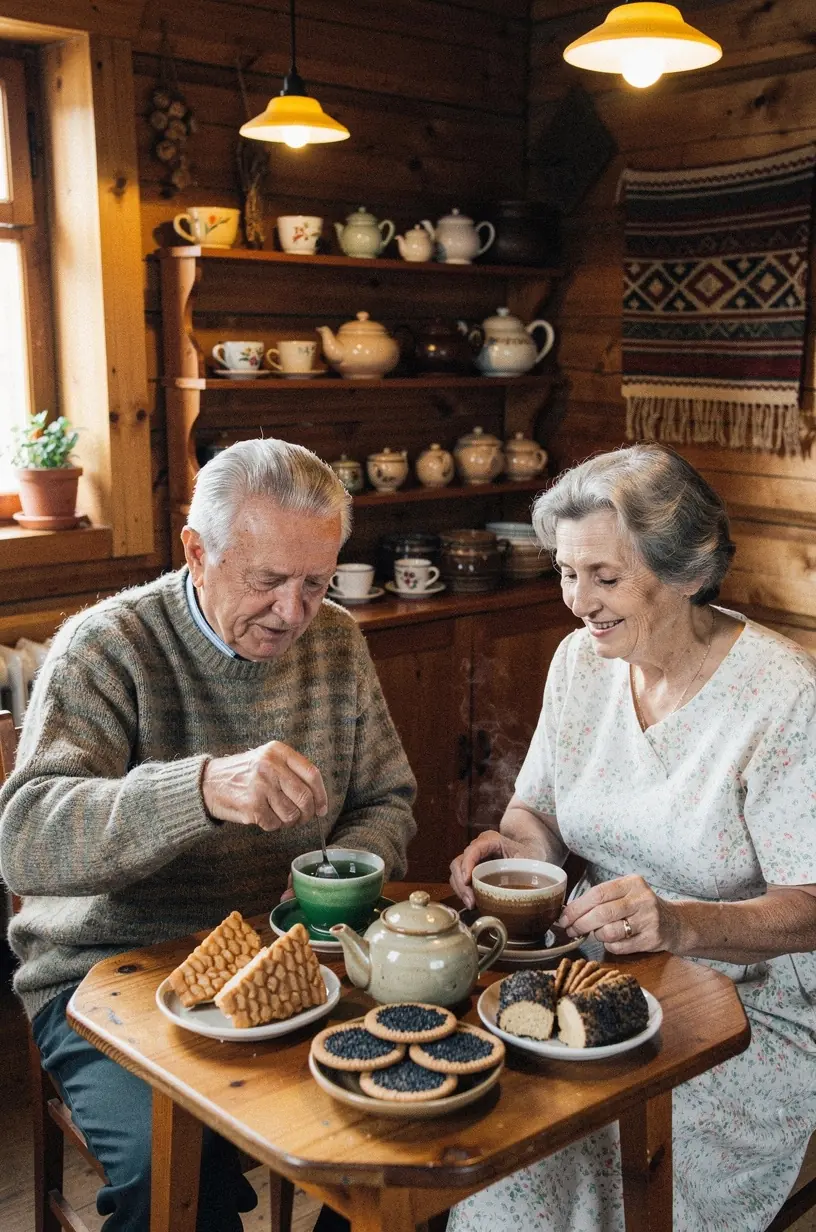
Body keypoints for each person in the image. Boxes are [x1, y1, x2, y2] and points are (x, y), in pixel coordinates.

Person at [0, 438, 417, 1232]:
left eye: (316, 582)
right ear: (197, 550)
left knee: (409, 1133)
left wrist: (352, 871)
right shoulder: (108, 645)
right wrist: (197, 788)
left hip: (298, 959)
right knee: (178, 1183)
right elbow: (23, 840)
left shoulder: (336, 640)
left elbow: (387, 797)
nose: (295, 614)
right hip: (110, 973)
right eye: (267, 581)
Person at [449, 443, 816, 1232]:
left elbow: (812, 908)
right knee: (494, 1117)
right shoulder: (579, 662)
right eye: (566, 573)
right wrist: (513, 859)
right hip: (591, 978)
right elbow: (537, 817)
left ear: (686, 571)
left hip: (743, 1007)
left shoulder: (782, 693)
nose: (578, 601)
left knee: (578, 1146)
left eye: (605, 577)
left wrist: (683, 922)